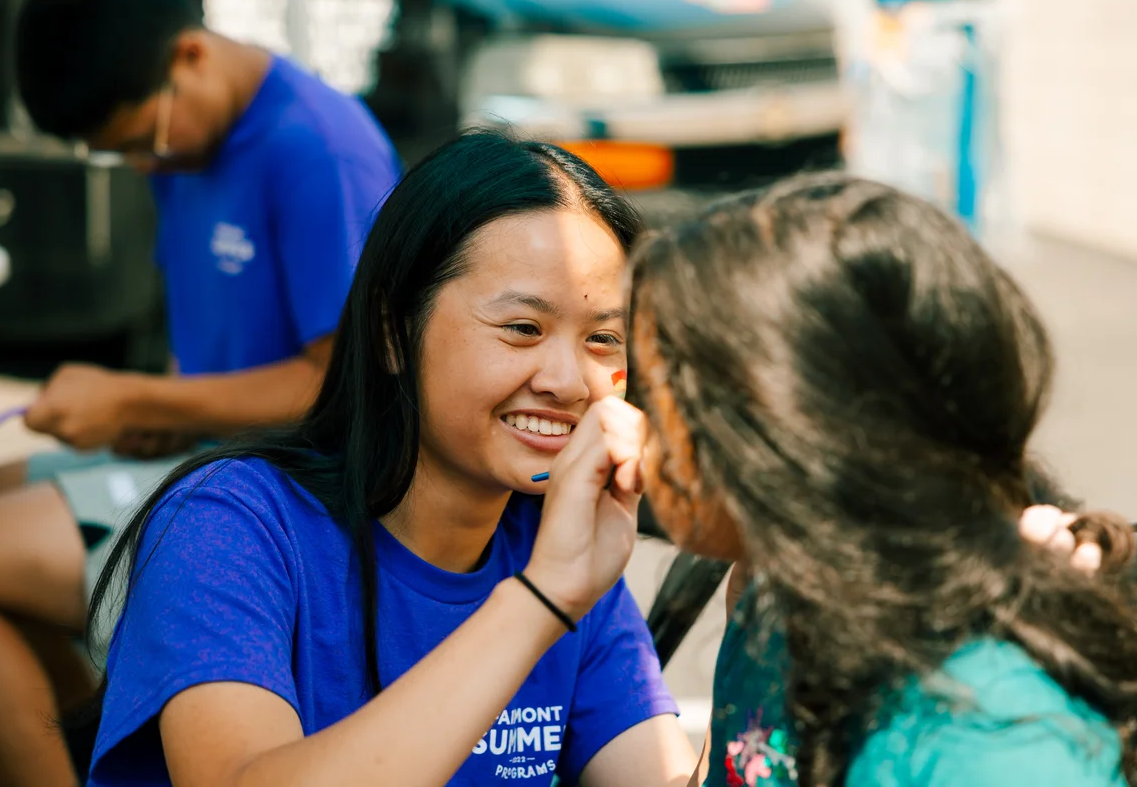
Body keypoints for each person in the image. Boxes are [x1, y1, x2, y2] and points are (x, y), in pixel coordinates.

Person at [83, 131, 698, 786]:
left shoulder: (562, 549)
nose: (569, 381)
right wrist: (541, 600)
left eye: (603, 339)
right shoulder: (228, 525)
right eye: (523, 329)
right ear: (391, 332)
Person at [0, 0, 400, 784]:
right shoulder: (185, 142)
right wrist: (162, 414)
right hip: (207, 457)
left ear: (190, 53)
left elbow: (347, 392)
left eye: (142, 143)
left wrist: (137, 401)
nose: (145, 166)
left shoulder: (320, 151)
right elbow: (212, 347)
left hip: (289, 489)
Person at [627, 173, 1137, 786]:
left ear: (790, 437)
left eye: (657, 400)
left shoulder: (994, 739)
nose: (629, 429)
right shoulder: (778, 607)